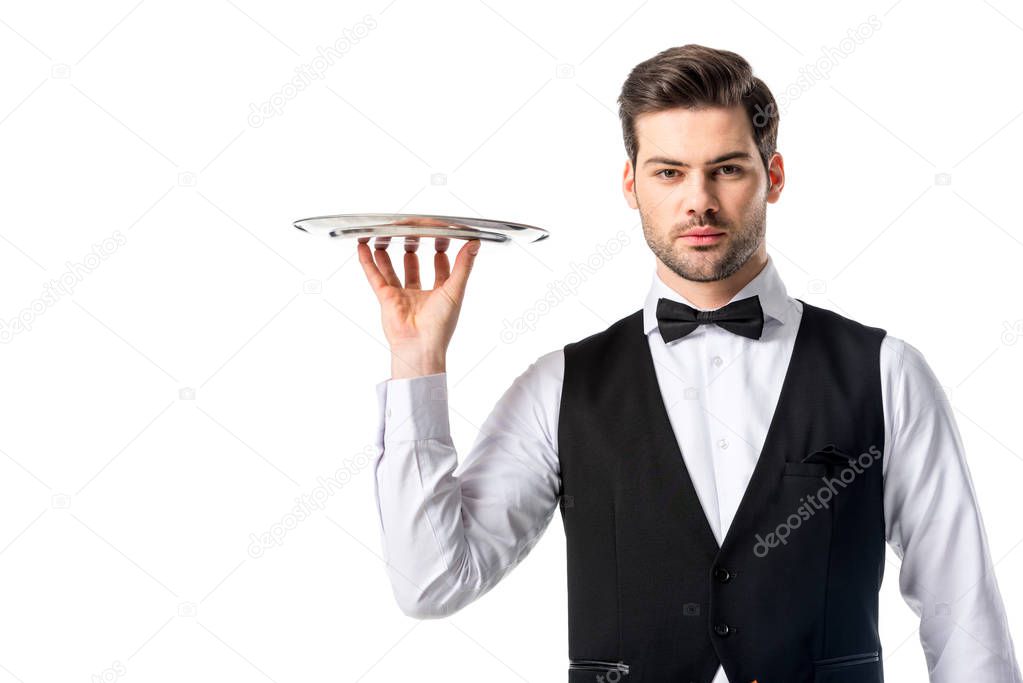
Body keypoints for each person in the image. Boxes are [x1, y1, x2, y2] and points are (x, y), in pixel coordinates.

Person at [358, 44, 1021, 682]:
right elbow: (431, 582)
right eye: (668, 172)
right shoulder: (559, 386)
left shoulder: (885, 372)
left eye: (727, 169)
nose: (697, 200)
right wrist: (416, 360)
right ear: (631, 183)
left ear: (774, 176)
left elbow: (959, 607)